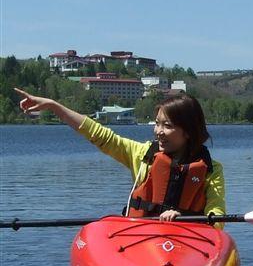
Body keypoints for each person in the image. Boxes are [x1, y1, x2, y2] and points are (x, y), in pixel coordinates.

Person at [14, 88, 225, 222]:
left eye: (167, 126)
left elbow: (216, 213)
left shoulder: (210, 169)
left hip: (186, 239)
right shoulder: (142, 154)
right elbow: (100, 135)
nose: (158, 131)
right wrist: (54, 106)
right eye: (157, 123)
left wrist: (185, 218)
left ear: (188, 131)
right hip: (141, 237)